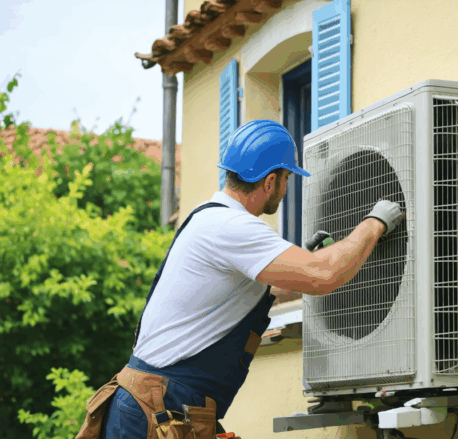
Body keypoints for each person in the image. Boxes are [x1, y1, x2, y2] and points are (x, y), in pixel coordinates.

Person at [75, 120, 404, 439]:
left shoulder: (210, 218)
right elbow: (323, 276)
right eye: (287, 179)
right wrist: (375, 223)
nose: (287, 189)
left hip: (156, 406)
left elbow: (257, 289)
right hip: (156, 412)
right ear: (270, 181)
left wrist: (301, 261)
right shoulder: (232, 226)